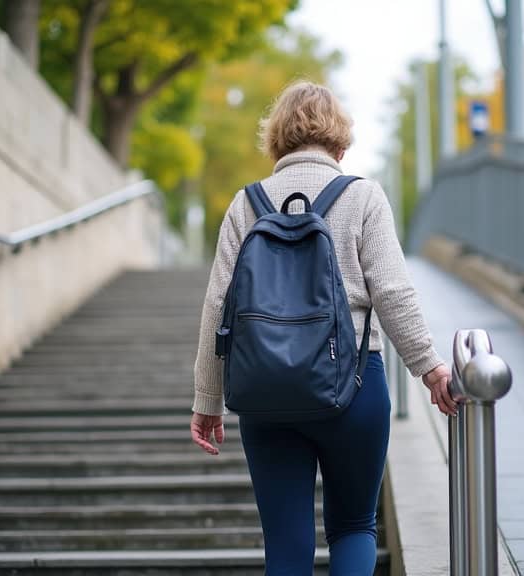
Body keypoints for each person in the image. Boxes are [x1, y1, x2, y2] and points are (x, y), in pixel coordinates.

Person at [190, 80, 455, 575]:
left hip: (265, 392)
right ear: (340, 141)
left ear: (277, 139)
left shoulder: (245, 204)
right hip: (354, 385)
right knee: (354, 526)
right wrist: (430, 367)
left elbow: (216, 309)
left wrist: (208, 400)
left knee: (286, 545)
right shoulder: (363, 197)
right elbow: (393, 292)